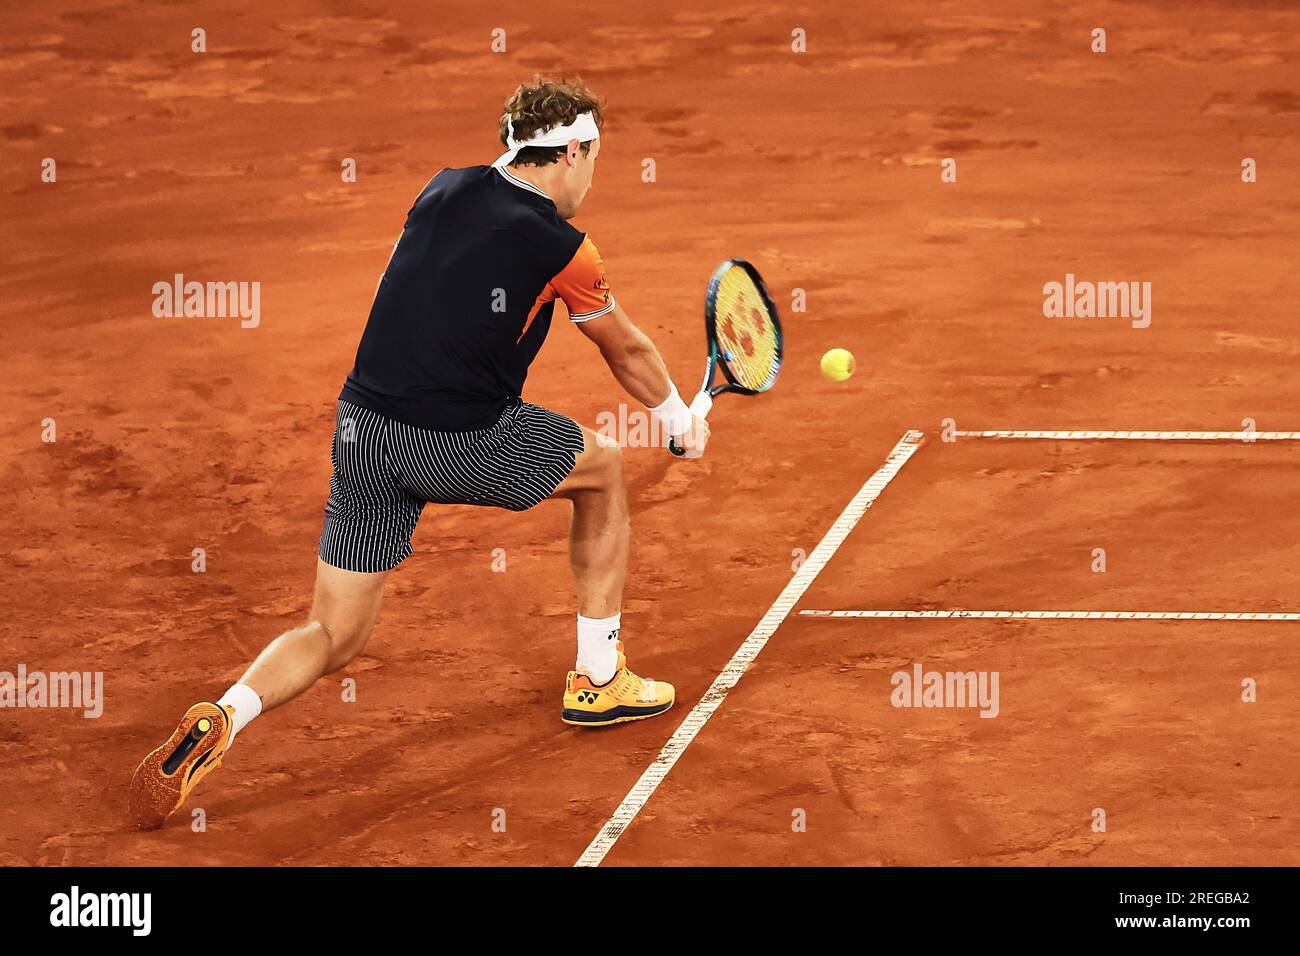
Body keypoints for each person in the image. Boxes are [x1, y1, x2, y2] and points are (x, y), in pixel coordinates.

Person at [128, 76, 709, 830]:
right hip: (457, 440)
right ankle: (599, 678)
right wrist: (678, 417)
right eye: (595, 158)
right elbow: (625, 348)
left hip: (363, 429)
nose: (593, 174)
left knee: (331, 634)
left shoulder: (442, 189)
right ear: (571, 151)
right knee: (603, 469)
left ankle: (229, 711)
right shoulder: (564, 246)